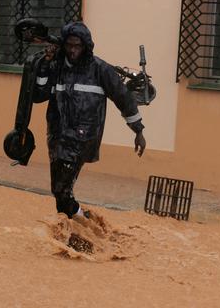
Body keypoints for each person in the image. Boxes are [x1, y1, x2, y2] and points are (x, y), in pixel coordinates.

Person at [32, 21, 146, 219]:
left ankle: (87, 230)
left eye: (77, 46)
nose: (73, 50)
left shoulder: (100, 69)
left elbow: (123, 98)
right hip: (58, 139)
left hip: (82, 140)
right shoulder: (56, 66)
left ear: (85, 46)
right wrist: (44, 65)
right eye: (69, 45)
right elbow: (39, 94)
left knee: (61, 190)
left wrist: (138, 131)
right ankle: (79, 228)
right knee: (60, 192)